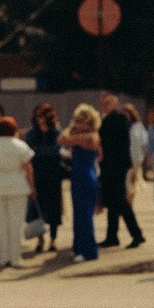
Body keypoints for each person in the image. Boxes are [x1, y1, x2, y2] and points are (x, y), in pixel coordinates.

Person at [0, 116, 35, 268]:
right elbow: (28, 169)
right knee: (16, 224)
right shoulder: (20, 145)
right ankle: (15, 258)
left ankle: (2, 258)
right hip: (17, 185)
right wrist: (32, 187)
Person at [98, 92, 146, 249]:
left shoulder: (119, 119)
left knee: (120, 201)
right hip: (109, 167)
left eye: (107, 103)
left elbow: (119, 145)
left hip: (116, 167)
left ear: (114, 103)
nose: (103, 106)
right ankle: (112, 236)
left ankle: (137, 234)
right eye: (102, 103)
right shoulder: (106, 120)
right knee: (112, 202)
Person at [59, 104, 102, 262]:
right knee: (78, 214)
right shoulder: (86, 135)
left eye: (80, 121)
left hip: (85, 176)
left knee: (85, 215)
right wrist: (72, 126)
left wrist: (71, 128)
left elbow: (63, 138)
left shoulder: (91, 136)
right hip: (78, 175)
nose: (77, 123)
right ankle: (78, 247)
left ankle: (89, 251)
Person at [25, 102, 64, 253]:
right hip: (37, 174)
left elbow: (57, 149)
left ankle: (53, 240)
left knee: (54, 208)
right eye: (38, 115)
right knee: (37, 207)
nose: (40, 119)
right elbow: (29, 152)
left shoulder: (56, 131)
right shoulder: (32, 133)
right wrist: (46, 151)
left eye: (43, 115)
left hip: (54, 174)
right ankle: (40, 239)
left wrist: (40, 151)